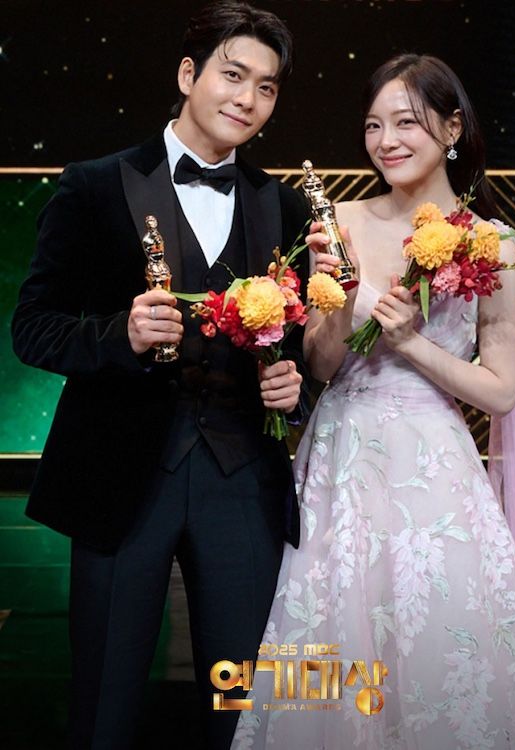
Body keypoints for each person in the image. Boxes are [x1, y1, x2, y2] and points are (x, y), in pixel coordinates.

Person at [232, 54, 515, 749]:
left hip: (434, 469)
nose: (387, 141)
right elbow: (322, 364)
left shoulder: (491, 242)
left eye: (406, 122)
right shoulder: (338, 221)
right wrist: (336, 302)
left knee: (446, 649)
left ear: (452, 128)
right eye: (374, 125)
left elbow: (501, 391)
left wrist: (408, 342)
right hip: (341, 457)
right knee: (336, 633)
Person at [11, 2, 311, 748]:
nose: (247, 99)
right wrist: (120, 333)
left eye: (267, 87)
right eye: (233, 75)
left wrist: (295, 383)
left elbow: (299, 343)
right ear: (188, 75)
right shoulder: (93, 186)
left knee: (241, 705)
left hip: (242, 479)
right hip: (121, 475)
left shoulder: (284, 207)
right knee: (105, 704)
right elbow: (32, 327)